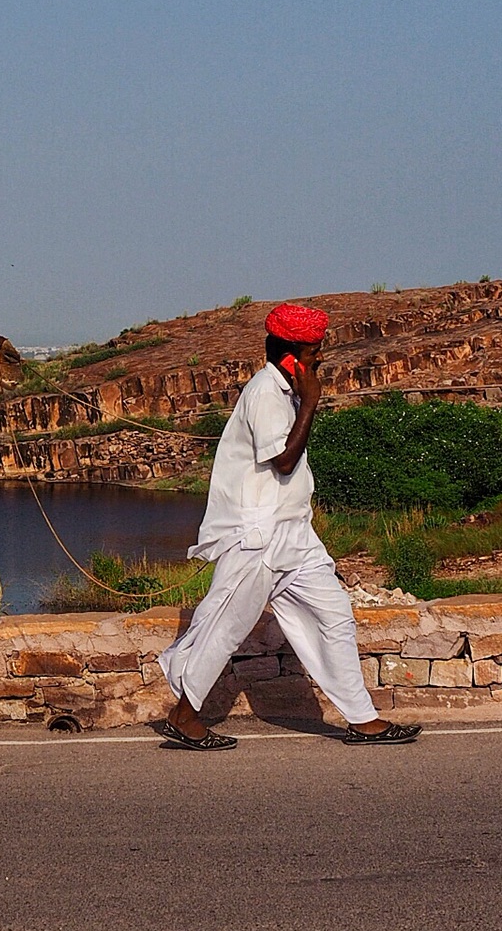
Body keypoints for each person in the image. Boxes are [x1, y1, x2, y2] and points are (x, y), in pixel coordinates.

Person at [156, 302, 420, 749]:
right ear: (290, 355)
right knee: (224, 627)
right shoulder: (264, 394)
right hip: (257, 537)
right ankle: (184, 716)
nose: (320, 360)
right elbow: (283, 459)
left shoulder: (285, 393)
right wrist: (312, 402)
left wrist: (304, 398)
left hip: (295, 534)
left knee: (334, 617)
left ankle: (362, 718)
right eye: (314, 352)